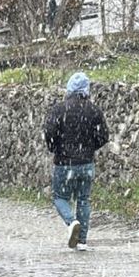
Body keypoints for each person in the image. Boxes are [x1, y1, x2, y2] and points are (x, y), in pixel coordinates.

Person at [44, 72, 109, 250]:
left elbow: (49, 133)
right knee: (84, 199)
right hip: (87, 163)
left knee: (59, 197)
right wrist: (89, 149)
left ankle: (71, 222)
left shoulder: (59, 109)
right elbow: (104, 136)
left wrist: (56, 149)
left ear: (70, 88)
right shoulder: (94, 110)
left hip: (64, 163)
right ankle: (82, 241)